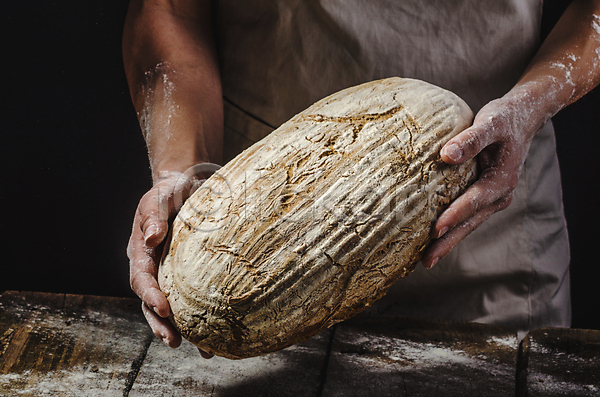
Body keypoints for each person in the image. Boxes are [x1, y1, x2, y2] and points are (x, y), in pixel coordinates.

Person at [124, 0, 600, 358]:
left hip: (486, 215)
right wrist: (179, 169)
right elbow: (170, 8)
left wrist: (532, 102)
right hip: (258, 236)